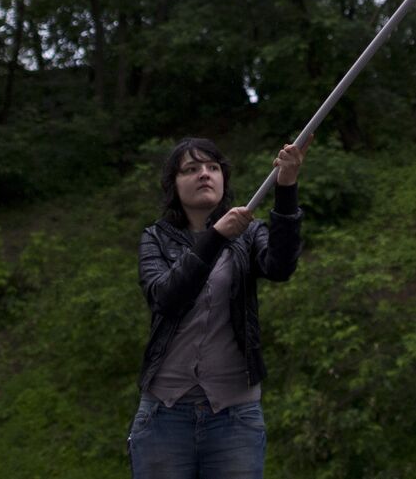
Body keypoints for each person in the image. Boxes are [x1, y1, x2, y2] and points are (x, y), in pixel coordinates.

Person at [128, 137, 306, 479]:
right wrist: (215, 238)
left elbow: (280, 267)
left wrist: (286, 189)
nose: (204, 174)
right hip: (164, 414)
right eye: (191, 169)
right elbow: (166, 297)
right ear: (174, 185)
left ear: (224, 179)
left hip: (235, 416)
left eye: (212, 167)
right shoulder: (155, 238)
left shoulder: (249, 232)